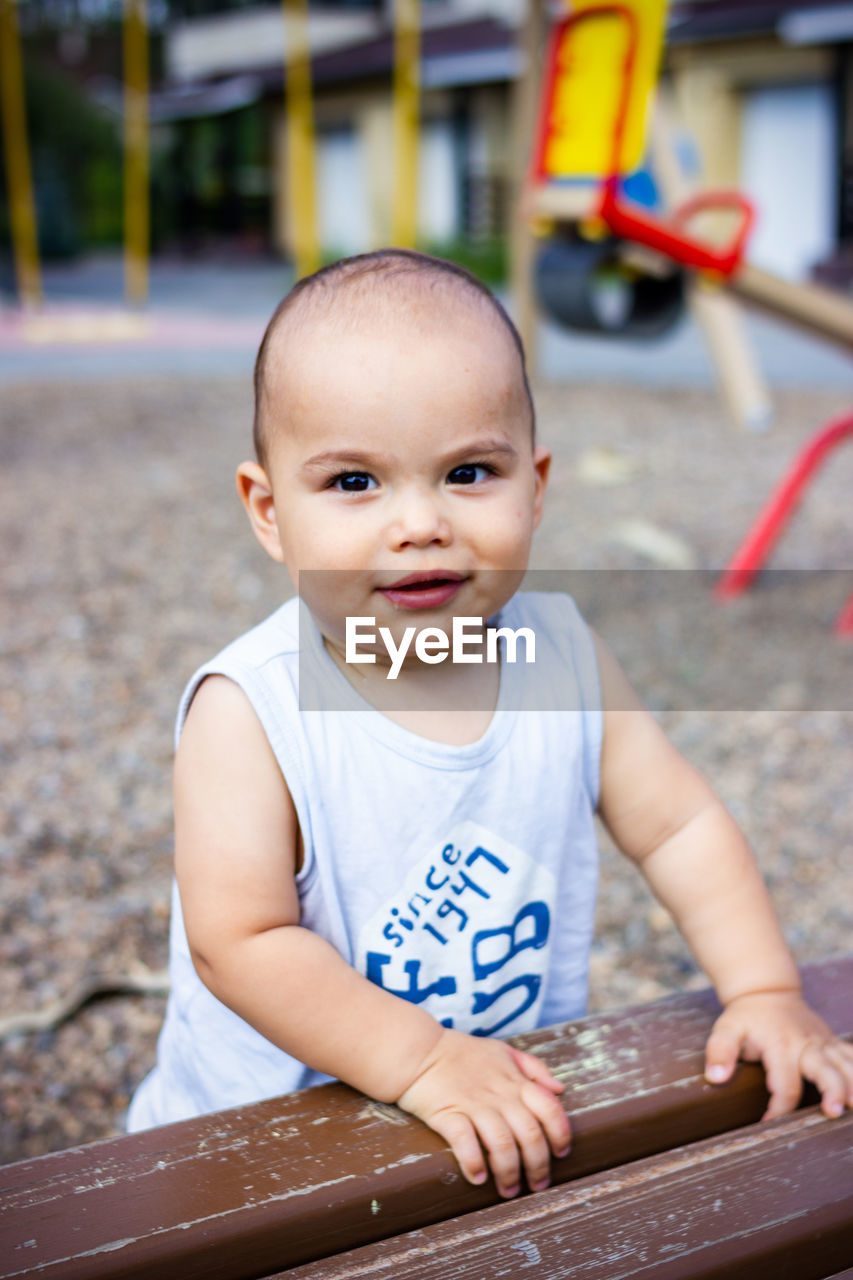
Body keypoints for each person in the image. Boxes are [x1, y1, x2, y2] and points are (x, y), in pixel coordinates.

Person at [128, 249, 853, 1200]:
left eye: (468, 472)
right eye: (355, 483)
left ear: (536, 487)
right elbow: (243, 940)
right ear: (268, 511)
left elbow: (678, 825)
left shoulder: (561, 656)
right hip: (257, 1151)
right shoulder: (251, 709)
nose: (421, 522)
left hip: (495, 1112)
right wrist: (422, 1059)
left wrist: (762, 988)